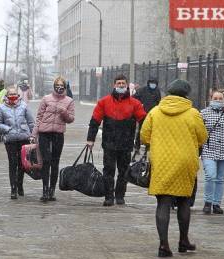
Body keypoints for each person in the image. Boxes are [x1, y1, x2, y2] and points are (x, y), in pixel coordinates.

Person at [140, 79, 207, 257]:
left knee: (163, 202)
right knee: (184, 201)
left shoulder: (155, 112)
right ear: (186, 94)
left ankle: (163, 245)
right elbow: (202, 137)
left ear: (168, 93)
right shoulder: (193, 113)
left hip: (162, 162)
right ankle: (183, 241)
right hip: (185, 162)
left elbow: (144, 137)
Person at [86, 74, 146, 206]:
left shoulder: (134, 103)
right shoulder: (104, 102)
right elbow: (95, 121)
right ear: (114, 85)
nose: (121, 85)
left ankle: (120, 196)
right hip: (109, 143)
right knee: (108, 170)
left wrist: (141, 139)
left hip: (126, 144)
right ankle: (109, 196)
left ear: (126, 85)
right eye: (118, 83)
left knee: (124, 171)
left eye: (123, 83)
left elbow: (144, 121)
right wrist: (90, 139)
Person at [32, 77, 75, 202]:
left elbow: (71, 119)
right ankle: (45, 190)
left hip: (58, 134)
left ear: (65, 87)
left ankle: (52, 191)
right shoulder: (46, 99)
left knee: (55, 162)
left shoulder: (69, 101)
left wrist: (64, 112)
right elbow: (39, 117)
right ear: (54, 86)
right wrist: (34, 134)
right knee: (46, 161)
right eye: (57, 85)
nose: (59, 87)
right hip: (44, 133)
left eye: (62, 85)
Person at [0, 87, 35, 199]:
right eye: (10, 94)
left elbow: (31, 122)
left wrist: (33, 135)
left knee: (22, 164)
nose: (13, 96)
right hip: (10, 140)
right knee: (12, 164)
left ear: (18, 95)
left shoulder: (23, 106)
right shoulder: (1, 107)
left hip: (24, 138)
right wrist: (7, 129)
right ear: (7, 95)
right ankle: (13, 188)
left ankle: (20, 185)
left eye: (14, 94)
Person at [201, 89, 224, 215]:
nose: (218, 100)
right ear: (211, 99)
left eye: (220, 98)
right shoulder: (203, 113)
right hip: (209, 150)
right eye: (215, 98)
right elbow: (198, 130)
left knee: (220, 179)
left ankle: (216, 204)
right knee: (210, 176)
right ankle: (207, 202)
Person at [133, 78, 162, 152]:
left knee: (152, 131)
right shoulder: (142, 90)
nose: (153, 85)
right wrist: (139, 106)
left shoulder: (157, 91)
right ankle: (137, 146)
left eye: (154, 83)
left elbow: (158, 102)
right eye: (151, 83)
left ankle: (148, 146)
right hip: (143, 114)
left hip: (153, 114)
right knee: (141, 130)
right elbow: (134, 98)